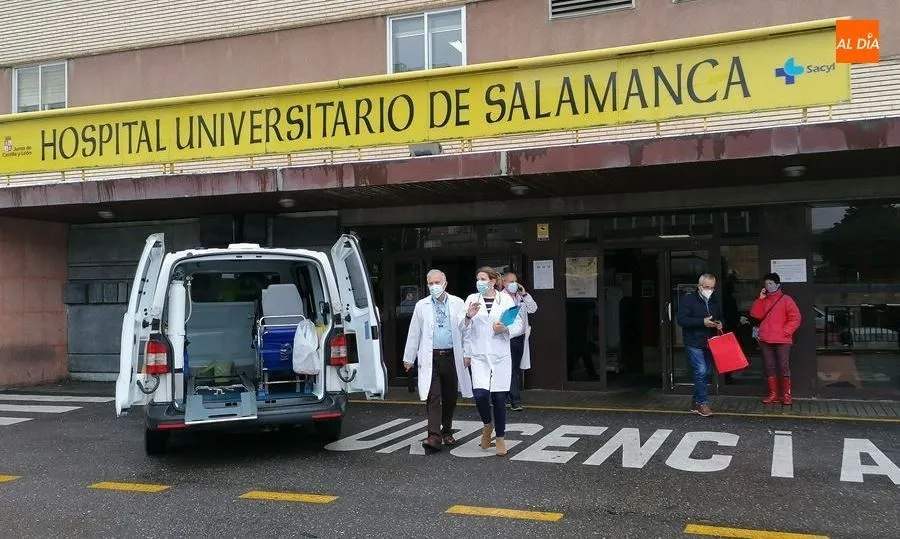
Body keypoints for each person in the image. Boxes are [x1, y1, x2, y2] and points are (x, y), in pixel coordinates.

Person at [402, 269, 474, 452]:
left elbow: (466, 331)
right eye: (431, 283)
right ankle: (433, 436)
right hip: (431, 357)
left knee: (450, 397)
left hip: (451, 356)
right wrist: (409, 358)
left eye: (437, 283)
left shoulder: (458, 303)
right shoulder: (421, 305)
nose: (434, 286)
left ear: (445, 284)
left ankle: (447, 430)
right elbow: (414, 332)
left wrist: (467, 354)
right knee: (433, 396)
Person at [460, 266, 523, 456]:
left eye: (483, 279)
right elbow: (461, 327)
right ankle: (487, 425)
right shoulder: (472, 299)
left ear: (493, 281)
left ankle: (501, 437)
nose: (479, 282)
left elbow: (518, 323)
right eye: (478, 279)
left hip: (500, 354)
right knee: (480, 395)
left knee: (499, 397)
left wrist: (505, 329)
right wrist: (468, 316)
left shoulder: (505, 299)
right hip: (479, 355)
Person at [675, 273, 723, 418]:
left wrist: (720, 323)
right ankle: (703, 403)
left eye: (712, 287)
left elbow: (720, 316)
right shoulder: (688, 300)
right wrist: (702, 322)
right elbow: (681, 320)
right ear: (699, 286)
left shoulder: (714, 300)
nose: (710, 290)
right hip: (693, 341)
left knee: (706, 372)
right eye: (707, 287)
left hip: (710, 341)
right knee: (701, 371)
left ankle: (695, 402)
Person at [750, 272, 802, 405]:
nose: (768, 285)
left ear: (778, 285)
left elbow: (795, 318)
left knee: (784, 366)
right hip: (766, 339)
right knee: (770, 366)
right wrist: (760, 299)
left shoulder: (786, 300)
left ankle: (786, 395)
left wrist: (786, 331)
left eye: (771, 283)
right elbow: (755, 314)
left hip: (782, 339)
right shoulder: (764, 299)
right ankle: (773, 394)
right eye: (766, 283)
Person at [501, 271, 537, 411]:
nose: (514, 284)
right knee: (510, 368)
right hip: (507, 337)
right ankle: (515, 400)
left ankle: (505, 397)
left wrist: (525, 294)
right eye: (510, 281)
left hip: (520, 337)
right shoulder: (500, 298)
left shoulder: (520, 297)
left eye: (515, 281)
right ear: (504, 283)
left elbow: (533, 309)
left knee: (515, 368)